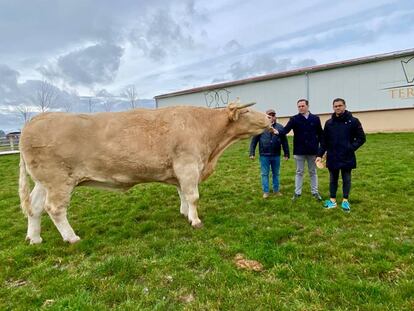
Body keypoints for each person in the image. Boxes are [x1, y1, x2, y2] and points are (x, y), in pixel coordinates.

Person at [316, 98, 366, 212]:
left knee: (346, 178)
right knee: (333, 179)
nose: (337, 108)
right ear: (333, 107)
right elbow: (324, 141)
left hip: (347, 156)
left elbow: (361, 138)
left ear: (344, 106)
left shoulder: (353, 121)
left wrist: (351, 147)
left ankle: (345, 201)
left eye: (340, 105)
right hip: (333, 156)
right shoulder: (329, 123)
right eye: (335, 106)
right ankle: (332, 201)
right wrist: (319, 154)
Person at [277, 99, 323, 201]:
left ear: (307, 106)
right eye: (299, 106)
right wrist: (276, 131)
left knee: (313, 172)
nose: (301, 108)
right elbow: (285, 130)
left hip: (313, 151)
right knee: (299, 172)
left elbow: (320, 134)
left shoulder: (315, 118)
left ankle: (315, 192)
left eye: (302, 106)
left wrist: (321, 150)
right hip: (299, 151)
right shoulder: (294, 119)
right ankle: (297, 193)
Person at [249, 109, 290, 198]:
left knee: (276, 173)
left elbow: (284, 141)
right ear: (266, 116)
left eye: (273, 115)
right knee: (264, 174)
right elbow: (254, 141)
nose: (271, 117)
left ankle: (276, 190)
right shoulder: (260, 127)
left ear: (275, 116)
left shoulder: (280, 127)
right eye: (269, 115)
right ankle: (266, 192)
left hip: (276, 155)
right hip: (264, 155)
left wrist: (286, 153)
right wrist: (252, 153)